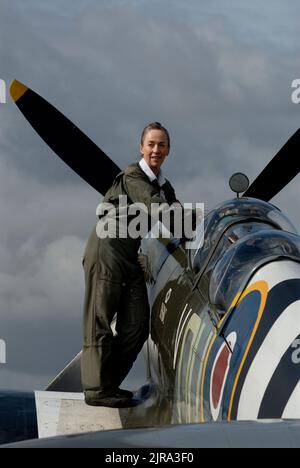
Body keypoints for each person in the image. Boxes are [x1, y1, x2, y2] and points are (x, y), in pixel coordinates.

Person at [82, 122, 179, 407]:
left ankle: (108, 383)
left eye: (161, 145)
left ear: (168, 150)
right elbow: (160, 210)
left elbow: (179, 221)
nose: (156, 150)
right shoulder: (133, 176)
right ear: (141, 147)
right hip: (107, 250)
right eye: (151, 144)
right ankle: (96, 391)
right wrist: (190, 221)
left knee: (137, 326)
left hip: (130, 255)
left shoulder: (163, 185)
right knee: (99, 318)